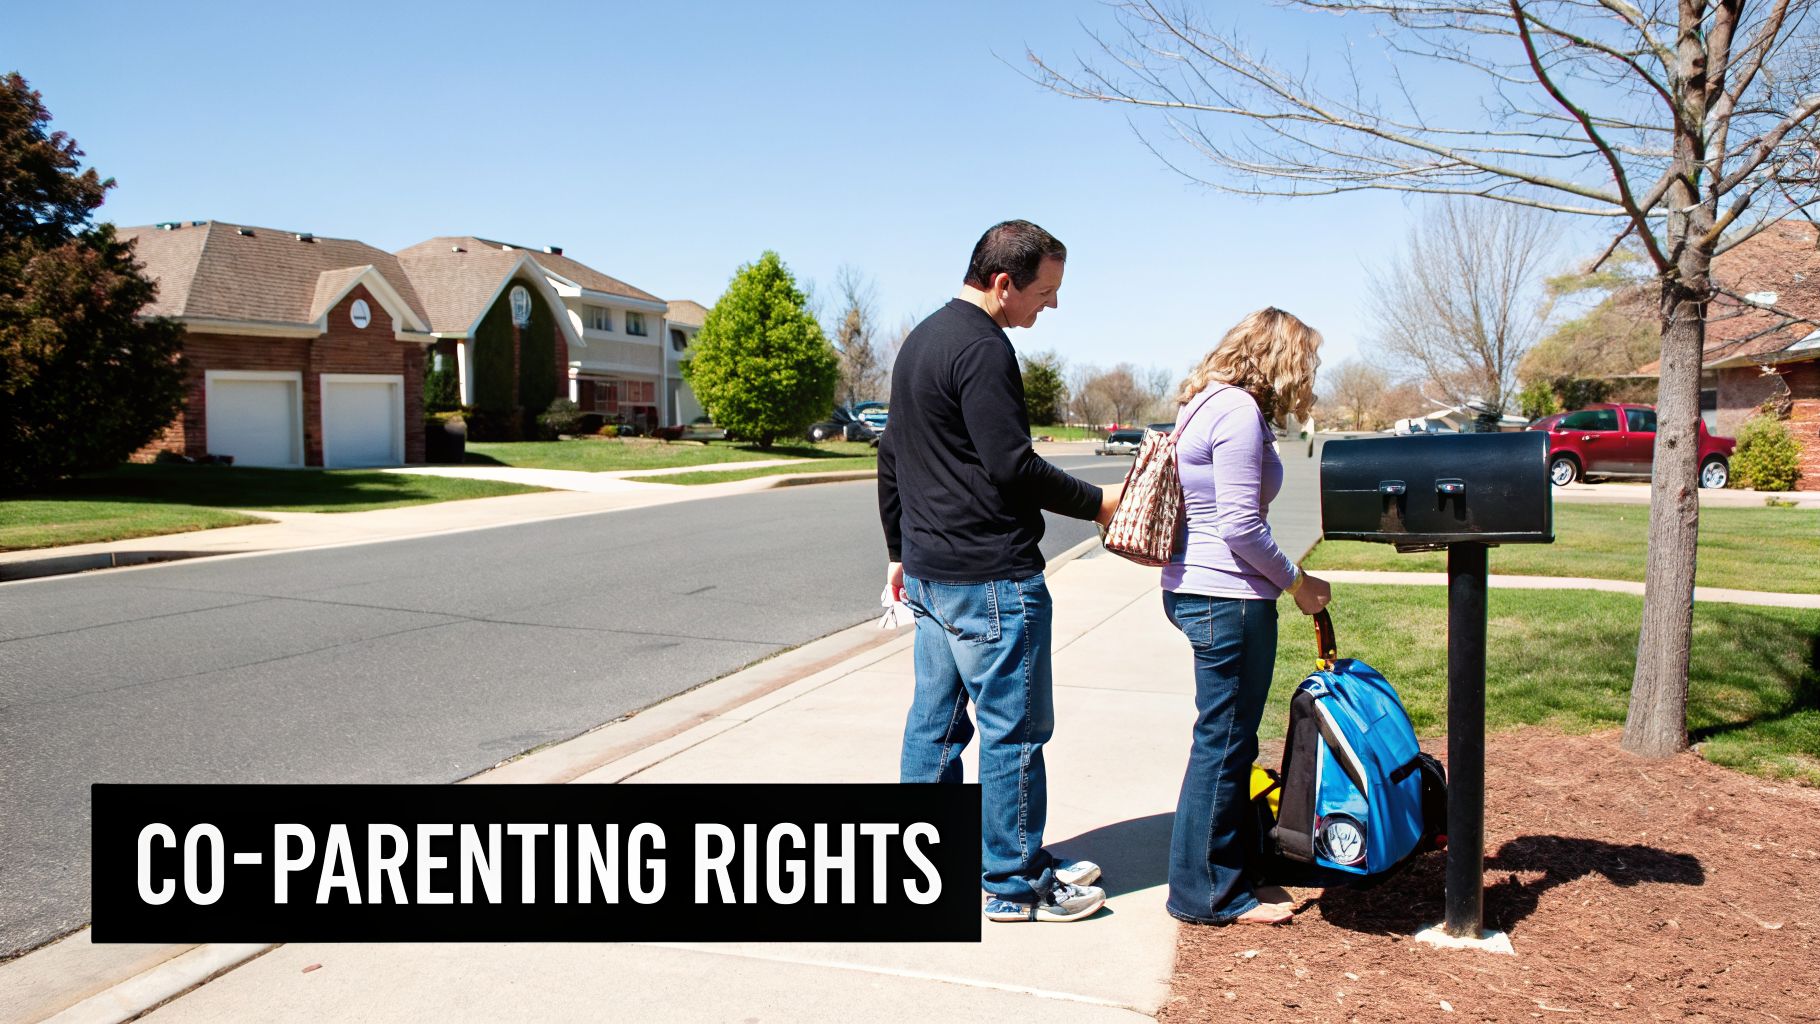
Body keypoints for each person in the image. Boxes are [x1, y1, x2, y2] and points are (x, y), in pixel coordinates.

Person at [877, 220, 1123, 923]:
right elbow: (1012, 465)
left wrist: (899, 551)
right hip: (990, 579)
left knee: (936, 726)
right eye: (1044, 292)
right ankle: (1011, 884)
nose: (1050, 306)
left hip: (933, 575)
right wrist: (1100, 503)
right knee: (1013, 732)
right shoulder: (983, 349)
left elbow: (890, 457)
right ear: (1003, 282)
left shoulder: (921, 341)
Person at [1161, 306, 1332, 926]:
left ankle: (1209, 879)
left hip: (1198, 589)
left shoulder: (1203, 402)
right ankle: (1208, 894)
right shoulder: (1236, 412)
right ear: (1279, 359)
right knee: (1226, 744)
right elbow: (1239, 525)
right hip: (1226, 598)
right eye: (1304, 363)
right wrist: (1298, 583)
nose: (1307, 376)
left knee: (1220, 741)